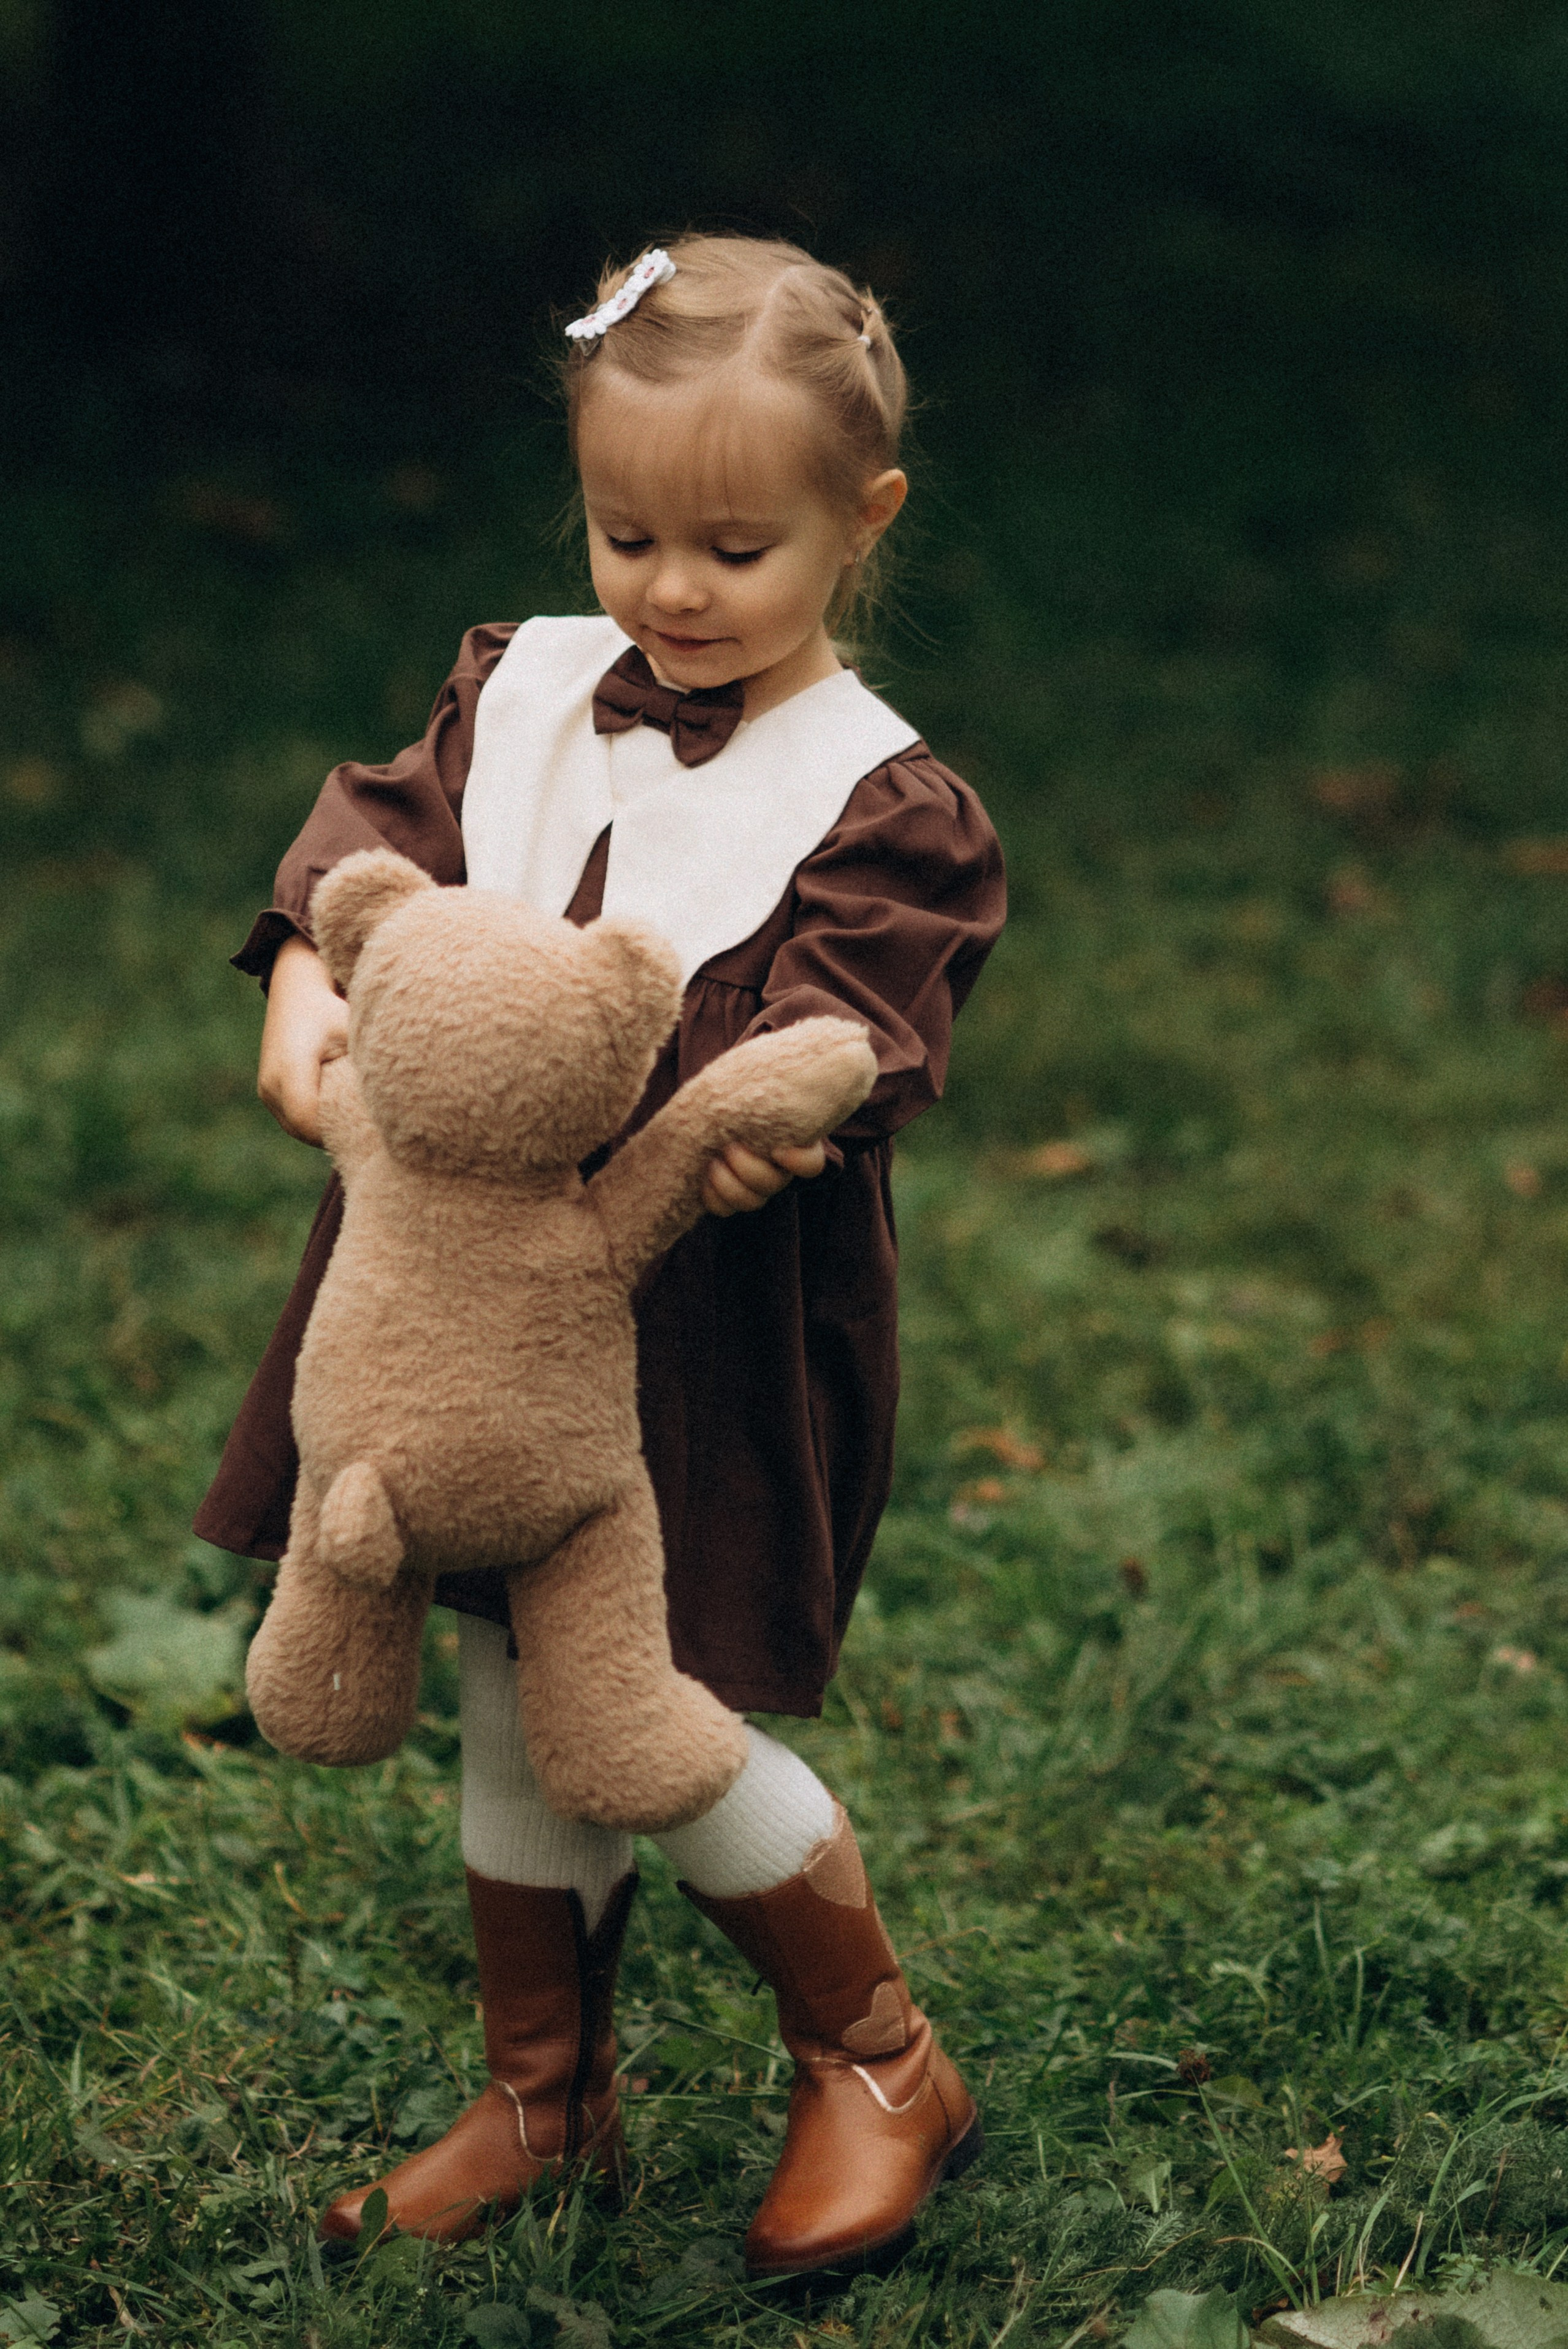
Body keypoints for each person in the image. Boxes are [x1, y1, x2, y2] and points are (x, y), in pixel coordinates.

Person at [196, 234, 1005, 2280]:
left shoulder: (881, 799)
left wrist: (772, 1128)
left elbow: (862, 1023)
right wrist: (304, 971)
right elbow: (372, 844)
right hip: (448, 1287)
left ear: (861, 522)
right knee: (499, 1656)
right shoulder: (527, 681)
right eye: (626, 528)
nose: (668, 585)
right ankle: (545, 2095)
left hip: (698, 1318)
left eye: (735, 547)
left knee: (638, 1689)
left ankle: (878, 2050)